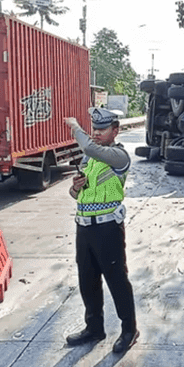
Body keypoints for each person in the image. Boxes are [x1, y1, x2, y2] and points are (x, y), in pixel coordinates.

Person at [63, 108, 138, 354]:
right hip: (84, 228)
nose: (96, 134)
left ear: (114, 131)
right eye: (93, 129)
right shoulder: (89, 160)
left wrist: (76, 127)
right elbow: (76, 194)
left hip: (107, 228)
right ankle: (94, 328)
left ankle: (129, 330)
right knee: (88, 281)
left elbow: (91, 148)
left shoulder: (118, 156)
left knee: (116, 280)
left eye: (101, 129)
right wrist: (75, 188)